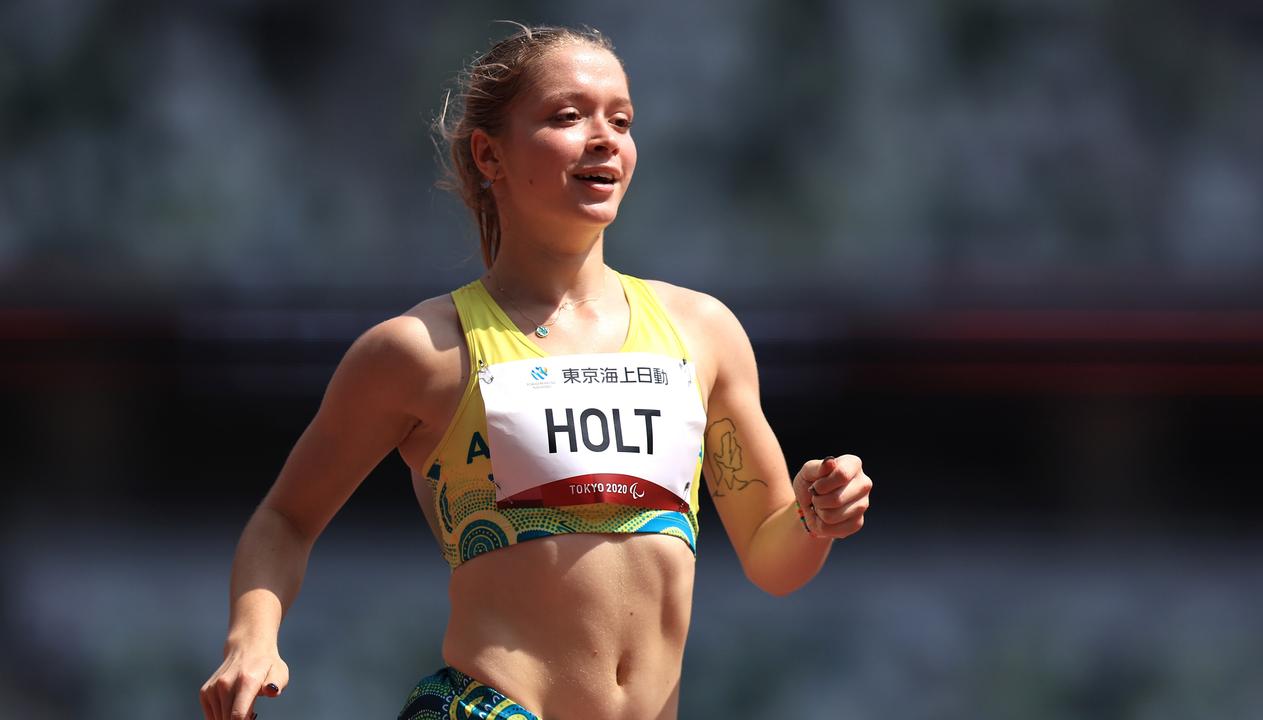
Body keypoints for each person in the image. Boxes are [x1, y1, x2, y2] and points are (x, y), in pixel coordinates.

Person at [199, 23, 872, 720]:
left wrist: (816, 516)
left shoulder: (702, 333)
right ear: (489, 153)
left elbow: (772, 555)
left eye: (622, 119)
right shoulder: (422, 351)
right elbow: (284, 518)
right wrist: (253, 638)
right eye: (567, 116)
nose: (605, 137)